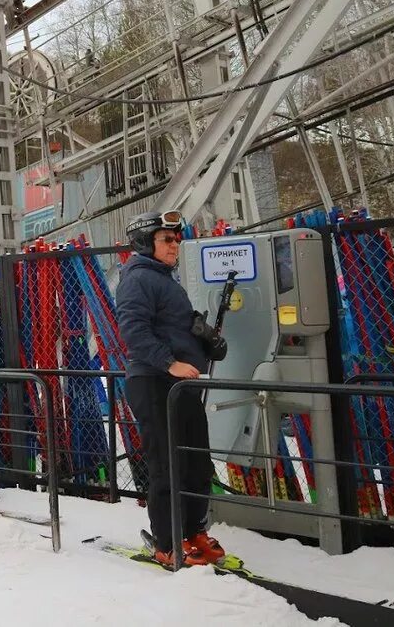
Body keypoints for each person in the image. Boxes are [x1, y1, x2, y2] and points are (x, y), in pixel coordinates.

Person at [115, 209, 227, 567]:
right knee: (167, 464)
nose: (175, 245)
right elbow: (133, 331)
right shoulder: (137, 279)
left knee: (197, 461)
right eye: (167, 239)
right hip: (154, 382)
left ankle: (193, 528)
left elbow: (168, 328)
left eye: (177, 239)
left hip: (181, 384)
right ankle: (166, 541)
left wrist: (203, 341)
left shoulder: (165, 278)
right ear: (145, 243)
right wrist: (169, 362)